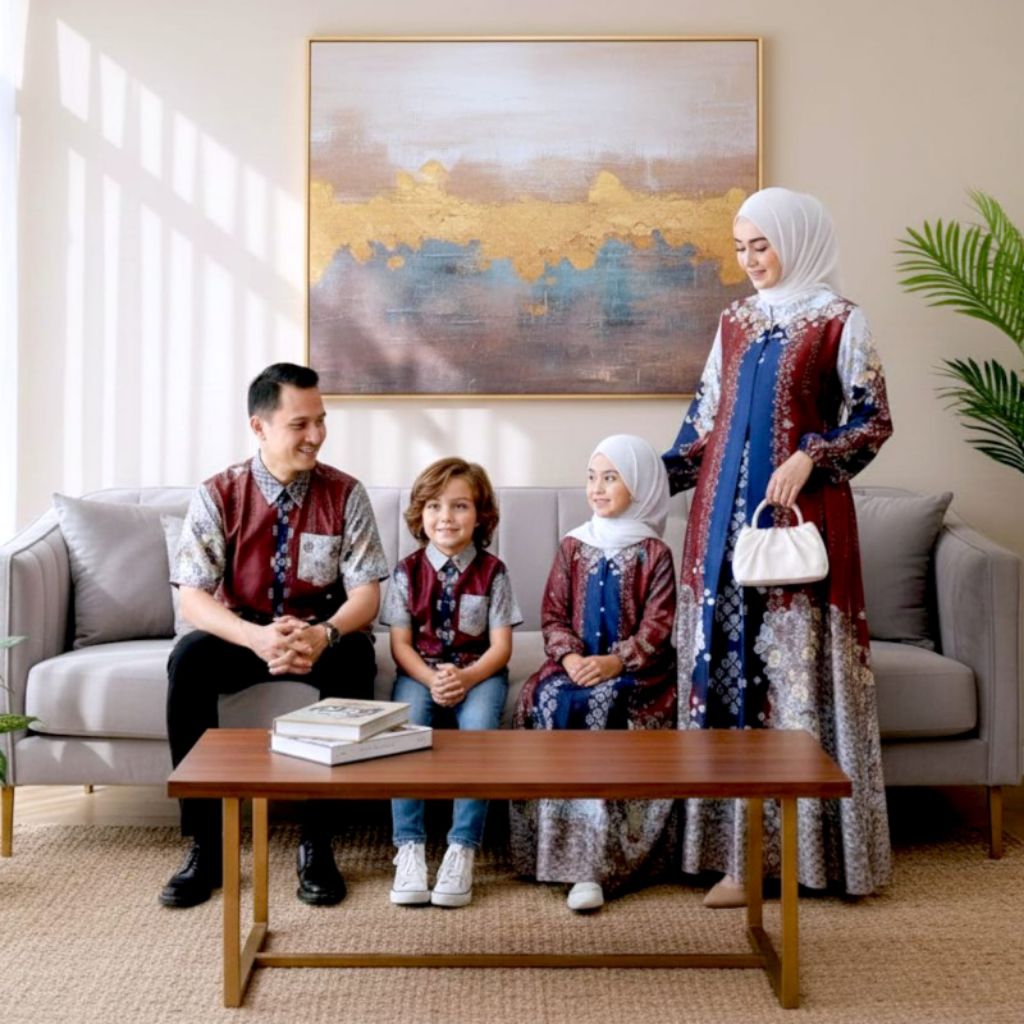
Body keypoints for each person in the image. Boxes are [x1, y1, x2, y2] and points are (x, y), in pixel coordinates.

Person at [663, 187, 893, 907]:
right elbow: (705, 419)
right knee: (725, 675)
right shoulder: (734, 321)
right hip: (718, 524)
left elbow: (874, 419)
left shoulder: (840, 320)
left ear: (797, 240)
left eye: (761, 245)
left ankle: (809, 861)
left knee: (789, 682)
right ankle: (732, 859)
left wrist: (810, 455)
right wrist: (644, 482)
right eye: (741, 248)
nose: (750, 260)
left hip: (801, 520)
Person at [160, 362, 389, 909]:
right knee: (188, 661)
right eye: (300, 424)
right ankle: (207, 845)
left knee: (357, 659)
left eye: (321, 421)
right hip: (242, 632)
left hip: (321, 631)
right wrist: (254, 638)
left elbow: (366, 595)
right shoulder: (219, 493)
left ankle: (318, 844)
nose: (316, 435)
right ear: (259, 427)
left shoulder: (345, 493)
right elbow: (193, 597)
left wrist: (325, 633)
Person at [510, 435, 677, 913]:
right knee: (548, 699)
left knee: (601, 706)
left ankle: (594, 865)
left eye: (611, 478)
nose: (597, 488)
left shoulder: (654, 553)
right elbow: (553, 615)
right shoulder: (574, 545)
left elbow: (658, 626)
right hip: (573, 665)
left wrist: (614, 662)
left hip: (637, 673)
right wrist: (568, 659)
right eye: (591, 477)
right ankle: (549, 853)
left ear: (641, 486)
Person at [381, 457, 522, 908]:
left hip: (478, 673)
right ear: (420, 514)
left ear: (480, 516)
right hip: (419, 672)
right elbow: (400, 645)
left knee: (478, 733)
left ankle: (462, 846)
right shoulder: (405, 572)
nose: (446, 517)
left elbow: (501, 647)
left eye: (460, 506)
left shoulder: (494, 572)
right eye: (434, 506)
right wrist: (431, 679)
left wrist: (465, 678)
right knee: (403, 731)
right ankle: (409, 846)